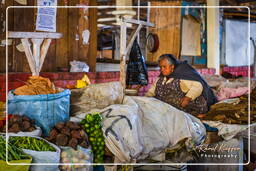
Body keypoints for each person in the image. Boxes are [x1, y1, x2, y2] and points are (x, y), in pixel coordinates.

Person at [145, 54, 218, 115]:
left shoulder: (182, 76)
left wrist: (187, 98)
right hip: (168, 110)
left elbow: (198, 86)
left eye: (164, 67)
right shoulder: (160, 78)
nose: (162, 69)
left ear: (172, 67)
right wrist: (145, 100)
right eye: (160, 67)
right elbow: (151, 91)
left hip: (190, 109)